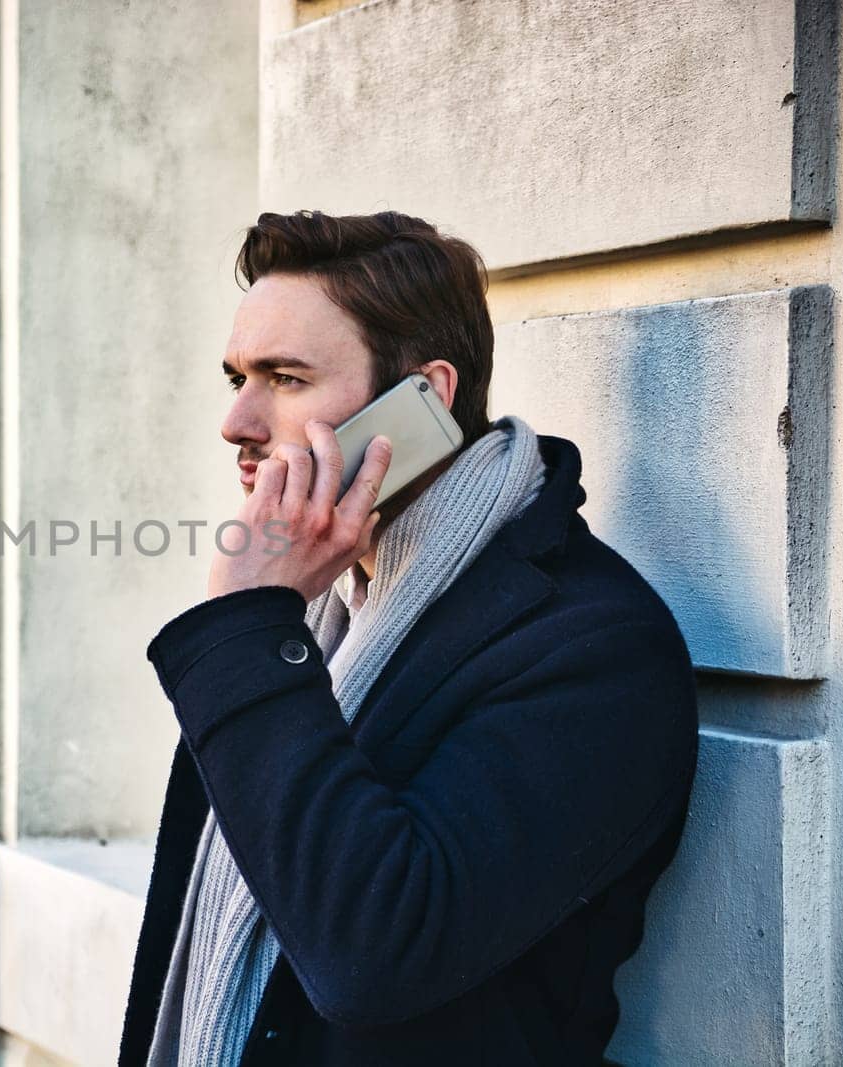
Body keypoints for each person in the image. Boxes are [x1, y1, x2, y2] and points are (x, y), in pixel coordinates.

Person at [117, 210, 700, 1065]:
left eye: (283, 377)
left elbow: (375, 954)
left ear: (426, 395)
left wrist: (247, 631)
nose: (237, 422)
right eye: (237, 376)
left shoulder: (594, 646)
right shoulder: (320, 605)